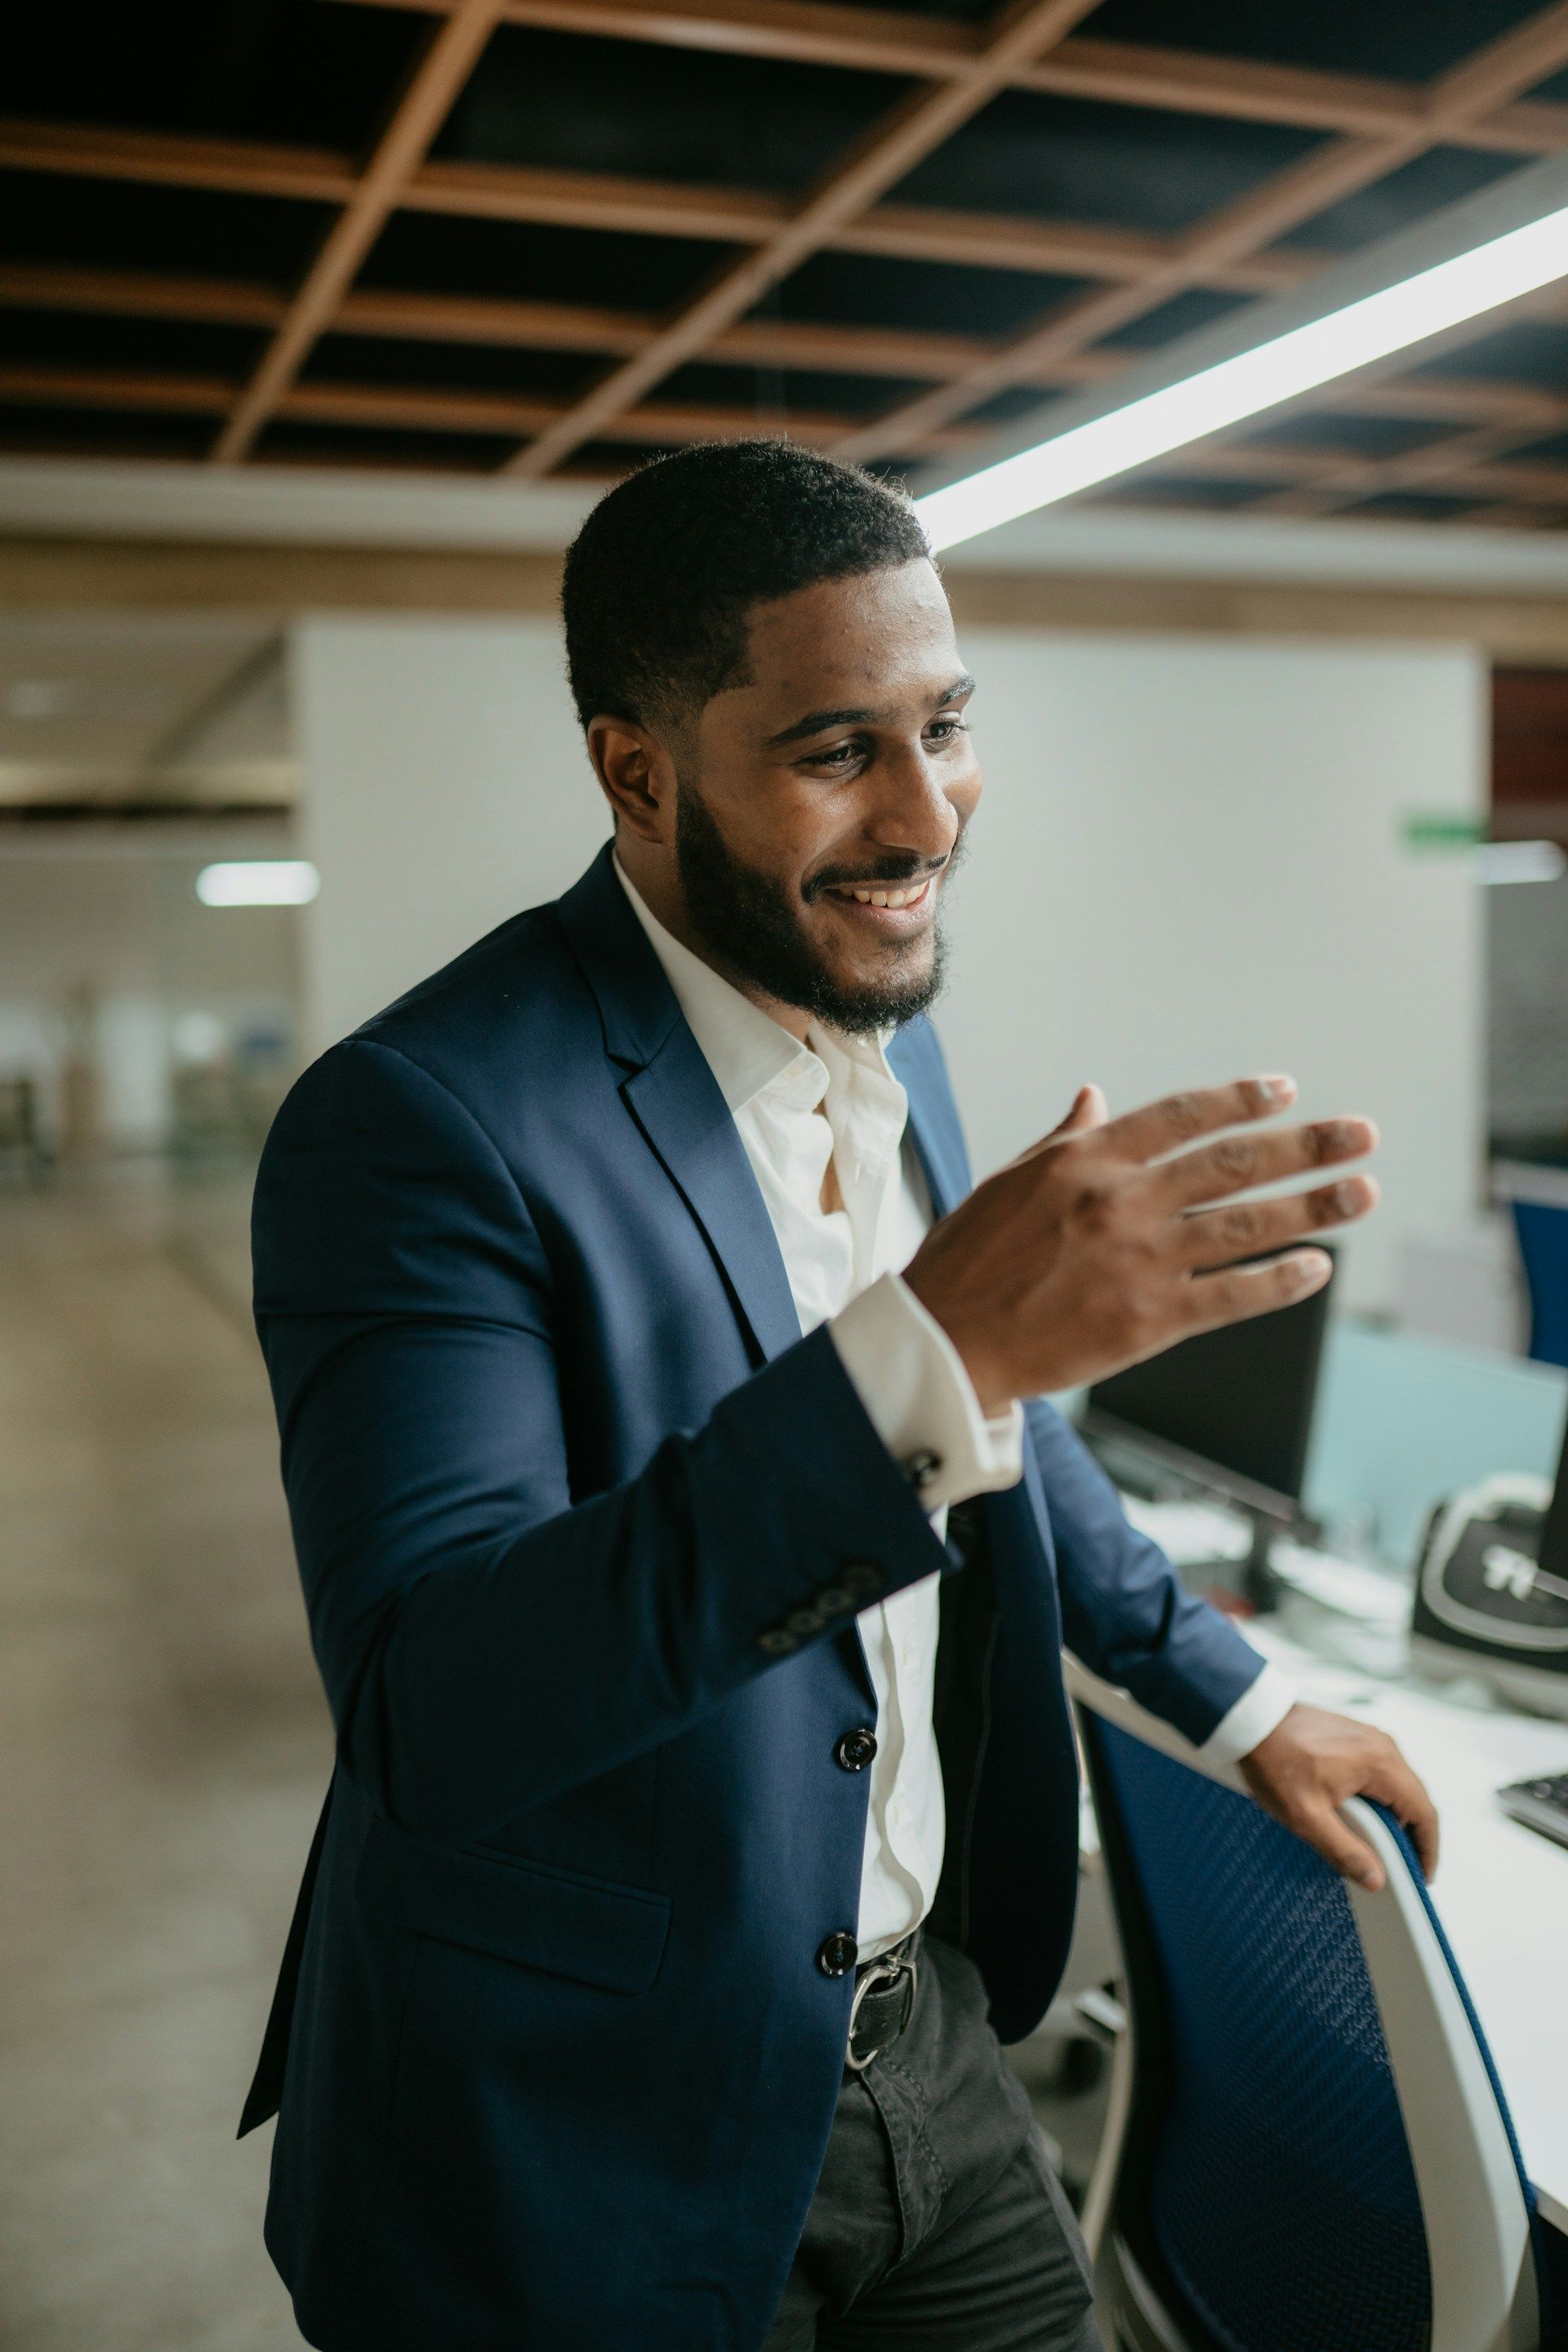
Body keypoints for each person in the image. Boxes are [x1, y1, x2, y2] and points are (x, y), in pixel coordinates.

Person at [241, 440, 1437, 2352]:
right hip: (586, 2122)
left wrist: (1251, 1696)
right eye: (835, 750)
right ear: (638, 771)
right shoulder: (419, 1125)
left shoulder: (887, 1017)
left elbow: (996, 1431)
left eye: (947, 726)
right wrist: (937, 1350)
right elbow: (436, 1704)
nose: (928, 813)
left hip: (925, 2050)